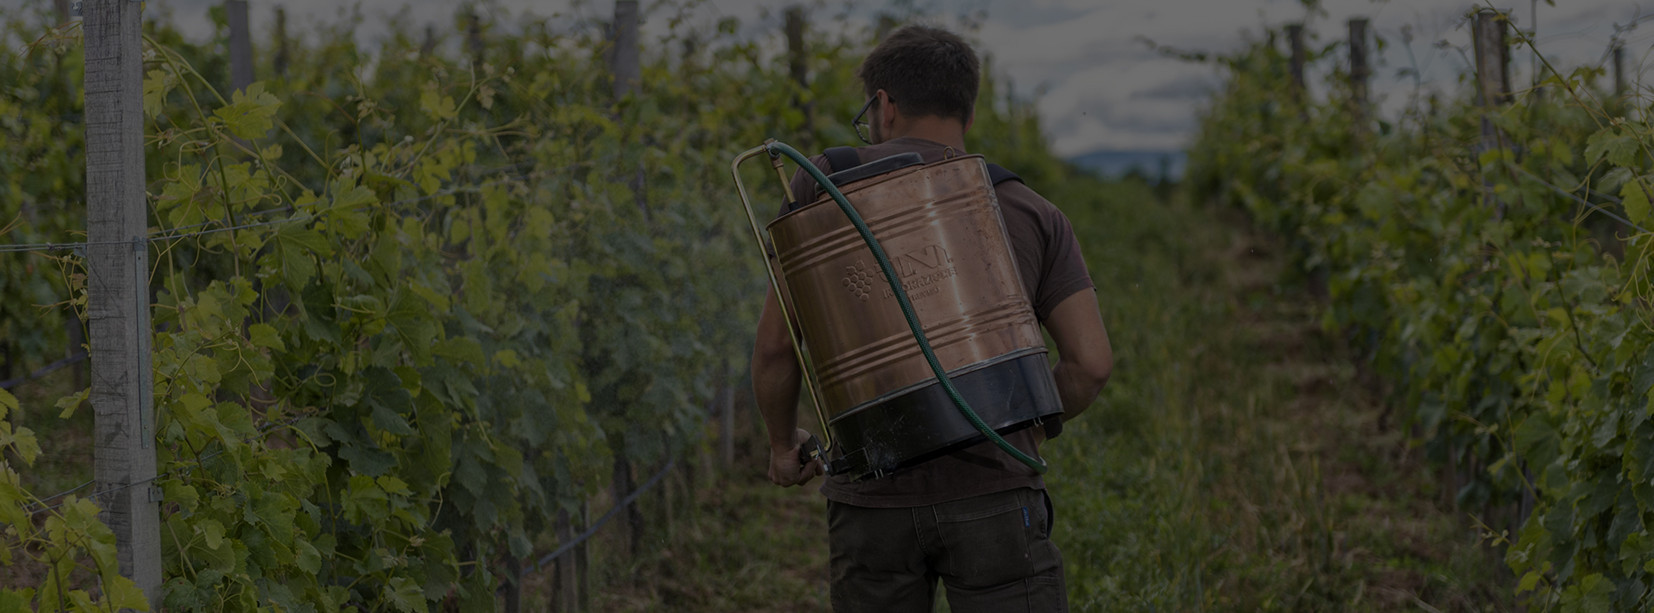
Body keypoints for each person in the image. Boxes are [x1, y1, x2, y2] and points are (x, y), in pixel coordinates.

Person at [749, 24, 1114, 613]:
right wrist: (1019, 423)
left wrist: (779, 444)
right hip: (996, 492)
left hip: (872, 500)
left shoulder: (823, 190)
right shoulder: (1030, 208)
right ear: (967, 115)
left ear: (884, 106)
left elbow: (774, 348)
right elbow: (1092, 363)